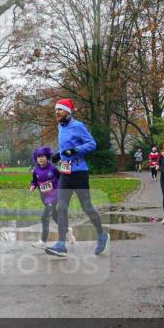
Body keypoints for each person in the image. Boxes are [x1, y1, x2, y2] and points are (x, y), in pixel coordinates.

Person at [45, 99, 110, 258]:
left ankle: (102, 235)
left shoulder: (78, 126)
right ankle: (61, 244)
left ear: (68, 111)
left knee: (86, 207)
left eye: (60, 110)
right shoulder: (60, 126)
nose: (56, 112)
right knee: (62, 208)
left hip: (79, 173)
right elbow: (65, 148)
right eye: (56, 110)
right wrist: (58, 155)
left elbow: (91, 144)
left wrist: (75, 150)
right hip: (65, 174)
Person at [29, 146, 67, 248]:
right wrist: (32, 186)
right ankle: (67, 230)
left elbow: (61, 179)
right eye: (38, 157)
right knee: (55, 216)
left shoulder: (53, 169)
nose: (40, 159)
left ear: (47, 157)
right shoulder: (36, 170)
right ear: (36, 159)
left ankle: (43, 241)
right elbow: (34, 181)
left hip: (54, 196)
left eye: (42, 156)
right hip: (44, 198)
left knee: (44, 217)